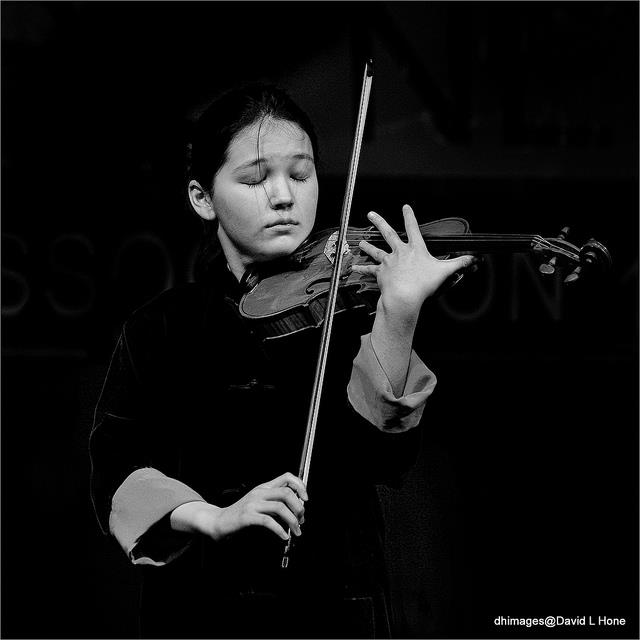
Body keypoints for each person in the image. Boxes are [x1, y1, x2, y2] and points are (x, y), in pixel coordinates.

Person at [89, 83, 475, 639]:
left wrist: (400, 309)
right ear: (202, 197)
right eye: (253, 179)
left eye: (301, 174)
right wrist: (215, 517)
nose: (284, 197)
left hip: (337, 606)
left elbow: (385, 456)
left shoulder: (355, 310)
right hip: (199, 611)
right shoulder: (159, 328)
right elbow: (116, 468)